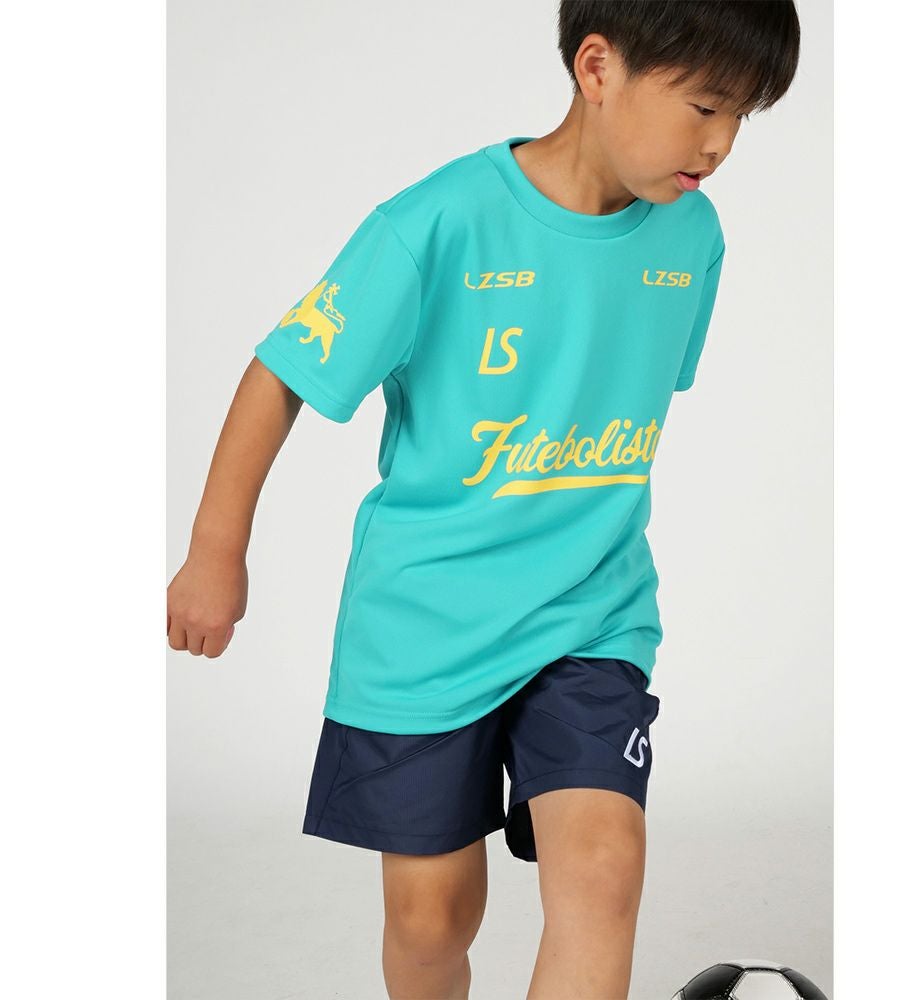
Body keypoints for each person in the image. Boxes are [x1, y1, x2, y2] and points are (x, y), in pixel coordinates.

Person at [167, 1, 800, 996]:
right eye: (705, 107)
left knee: (603, 867)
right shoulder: (438, 224)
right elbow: (283, 372)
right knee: (433, 919)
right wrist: (216, 550)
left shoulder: (693, 239)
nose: (720, 145)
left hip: (590, 614)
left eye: (742, 118)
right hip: (426, 628)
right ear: (598, 68)